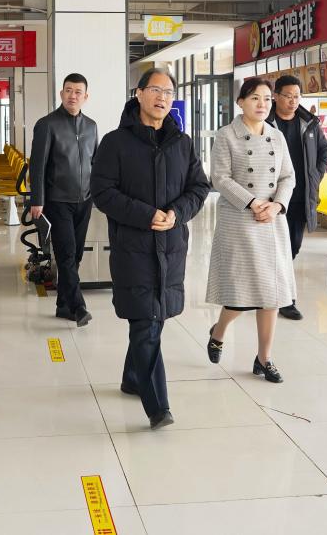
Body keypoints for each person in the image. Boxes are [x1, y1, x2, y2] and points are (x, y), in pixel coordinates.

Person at [91, 68, 209, 429]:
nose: (162, 97)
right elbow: (102, 193)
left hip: (171, 246)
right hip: (134, 247)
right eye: (155, 90)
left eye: (168, 92)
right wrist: (146, 215)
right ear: (139, 93)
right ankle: (159, 407)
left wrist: (176, 213)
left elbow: (199, 188)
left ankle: (132, 377)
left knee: (152, 318)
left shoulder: (182, 143)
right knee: (146, 321)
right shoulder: (115, 143)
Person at [205, 78, 296, 384]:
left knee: (272, 294)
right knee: (240, 295)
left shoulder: (276, 136)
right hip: (240, 220)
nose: (262, 104)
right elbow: (220, 178)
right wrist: (253, 202)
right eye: (255, 98)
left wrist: (277, 205)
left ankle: (264, 358)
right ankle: (218, 332)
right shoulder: (226, 135)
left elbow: (288, 177)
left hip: (271, 221)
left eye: (267, 99)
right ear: (240, 101)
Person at [28, 73, 99, 327]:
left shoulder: (91, 126)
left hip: (85, 200)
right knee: (66, 253)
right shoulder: (47, 124)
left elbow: (95, 162)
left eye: (78, 92)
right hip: (57, 200)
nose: (72, 96)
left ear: (85, 96)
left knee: (76, 254)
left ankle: (63, 305)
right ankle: (79, 307)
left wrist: (99, 194)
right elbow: (37, 166)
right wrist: (37, 200)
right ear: (61, 93)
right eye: (68, 90)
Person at [268, 75, 327, 321]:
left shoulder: (309, 123)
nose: (293, 101)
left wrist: (315, 176)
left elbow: (323, 151)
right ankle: (284, 299)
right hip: (271, 198)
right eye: (288, 96)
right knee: (273, 248)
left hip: (300, 196)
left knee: (292, 245)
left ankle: (278, 293)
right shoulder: (266, 122)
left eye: (296, 96)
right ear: (276, 96)